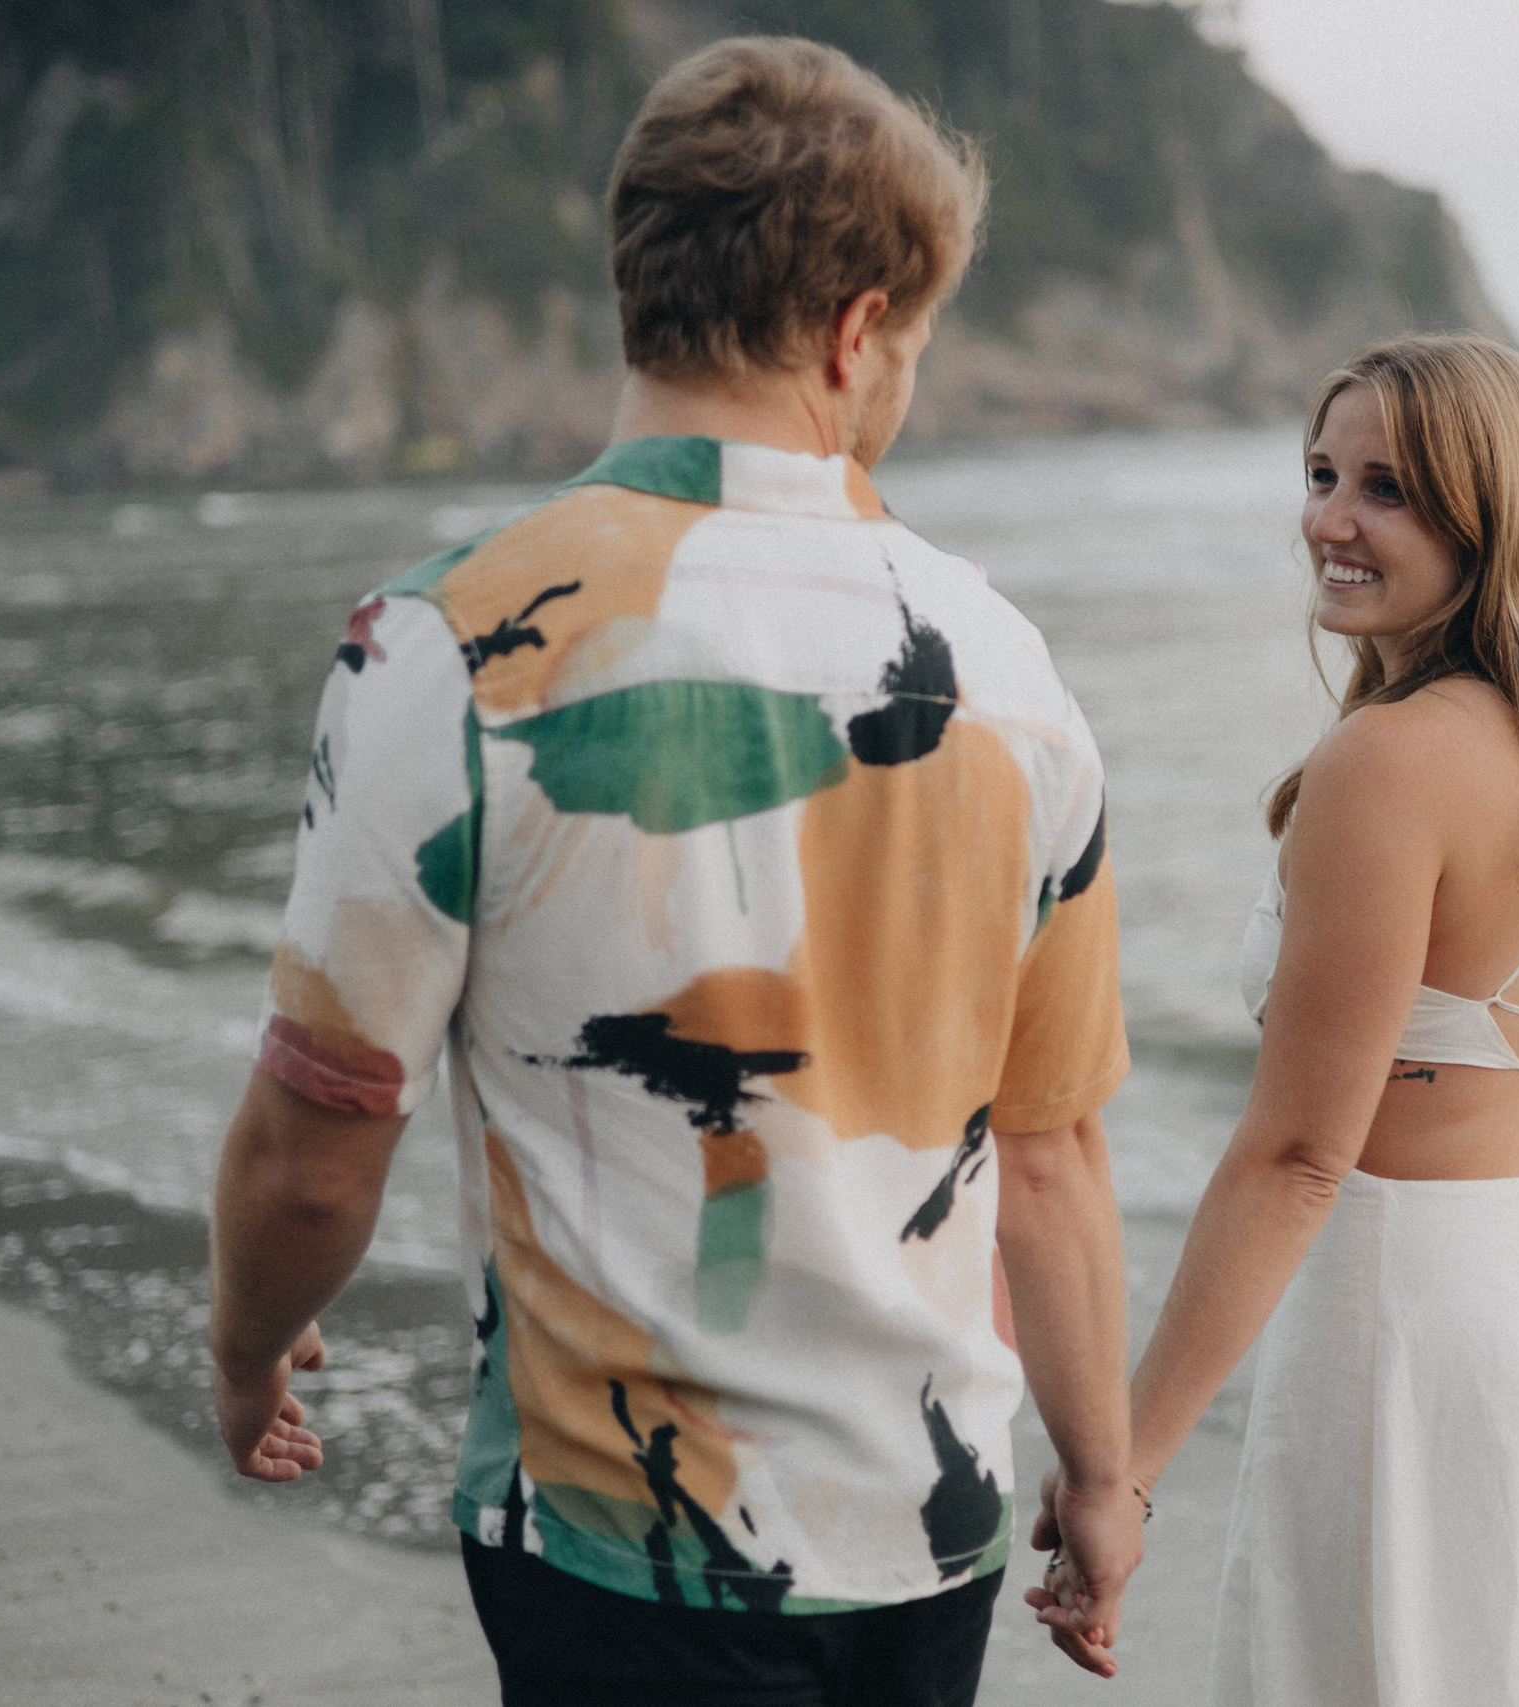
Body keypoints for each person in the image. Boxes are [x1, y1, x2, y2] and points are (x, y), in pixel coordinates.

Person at [207, 37, 1144, 1706]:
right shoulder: (1008, 674)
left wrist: (245, 1347)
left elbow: (318, 1143)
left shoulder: (449, 644)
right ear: (857, 330)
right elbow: (1054, 1154)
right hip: (929, 1530)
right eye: (912, 344)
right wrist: (1103, 1472)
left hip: (615, 1536)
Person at [1035, 334, 1519, 1702]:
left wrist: (1125, 1472)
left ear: (1490, 516)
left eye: (1387, 489)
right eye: (1322, 474)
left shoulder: (1389, 762)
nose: (1329, 521)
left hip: (1412, 1315)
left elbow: (1299, 1156)